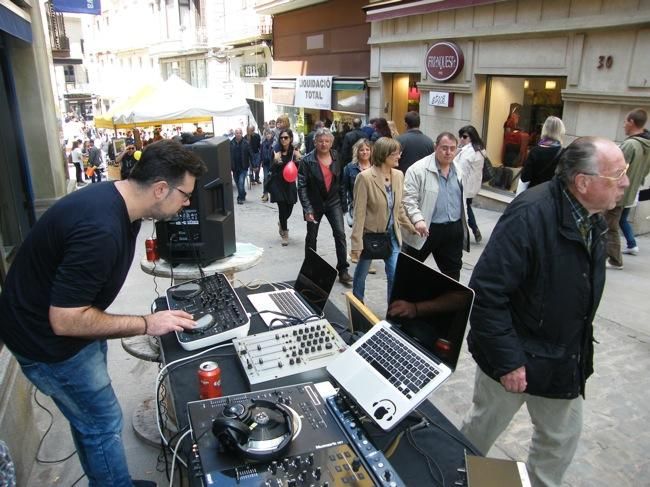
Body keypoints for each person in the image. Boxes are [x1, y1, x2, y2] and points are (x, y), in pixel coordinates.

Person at [0, 139, 207, 486]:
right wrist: (146, 323)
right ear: (160, 189)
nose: (187, 203)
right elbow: (66, 320)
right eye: (185, 195)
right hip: (48, 344)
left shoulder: (117, 202)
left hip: (63, 329)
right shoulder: (101, 230)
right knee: (102, 423)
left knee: (91, 421)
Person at [460, 137, 629, 487]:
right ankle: (454, 475)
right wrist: (508, 361)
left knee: (560, 440)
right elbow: (487, 292)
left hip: (562, 360)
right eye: (618, 175)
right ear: (583, 182)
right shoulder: (530, 214)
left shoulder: (593, 217)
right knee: (479, 431)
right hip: (512, 360)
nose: (626, 182)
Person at [350, 137, 415, 302]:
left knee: (394, 274)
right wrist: (356, 244)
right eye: (395, 154)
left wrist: (411, 226)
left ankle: (392, 316)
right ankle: (357, 304)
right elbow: (359, 213)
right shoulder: (364, 178)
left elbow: (398, 207)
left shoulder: (399, 175)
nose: (399, 156)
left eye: (399, 153)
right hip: (370, 236)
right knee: (361, 274)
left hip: (392, 235)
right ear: (384, 155)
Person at [402, 132, 469, 281]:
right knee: (409, 271)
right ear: (435, 147)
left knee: (452, 273)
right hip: (426, 228)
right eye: (444, 148)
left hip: (453, 228)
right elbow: (408, 199)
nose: (449, 152)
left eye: (453, 148)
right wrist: (417, 219)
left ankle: (448, 303)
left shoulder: (458, 169)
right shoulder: (417, 169)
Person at [297, 127, 353, 284]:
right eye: (320, 141)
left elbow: (341, 182)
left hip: (333, 201)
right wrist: (307, 209)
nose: (323, 144)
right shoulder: (307, 161)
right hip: (314, 204)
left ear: (331, 142)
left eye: (327, 141)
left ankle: (343, 269)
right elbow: (301, 187)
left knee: (340, 234)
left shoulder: (337, 156)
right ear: (315, 142)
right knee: (312, 237)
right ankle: (310, 269)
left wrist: (343, 204)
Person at [604, 108, 650, 267]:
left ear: (631, 122)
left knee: (610, 225)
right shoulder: (646, 145)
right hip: (631, 192)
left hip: (618, 193)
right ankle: (622, 249)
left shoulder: (631, 145)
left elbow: (614, 168)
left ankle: (615, 260)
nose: (623, 125)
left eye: (625, 121)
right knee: (615, 223)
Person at [267, 128, 301, 246]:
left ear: (290, 139)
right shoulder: (276, 151)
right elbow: (270, 169)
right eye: (281, 138)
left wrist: (298, 159)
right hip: (278, 183)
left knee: (290, 207)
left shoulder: (295, 152)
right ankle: (285, 234)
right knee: (282, 208)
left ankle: (281, 223)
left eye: (286, 138)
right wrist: (276, 161)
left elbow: (299, 169)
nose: (283, 140)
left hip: (290, 183)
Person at [454, 125, 486, 244]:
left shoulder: (470, 151)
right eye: (461, 136)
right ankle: (473, 229)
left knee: (464, 208)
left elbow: (461, 168)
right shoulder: (479, 149)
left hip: (465, 185)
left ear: (471, 137)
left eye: (464, 136)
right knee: (466, 206)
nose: (462, 139)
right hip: (472, 185)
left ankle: (470, 230)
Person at [520, 116, 565, 188]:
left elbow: (524, 178)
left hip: (534, 194)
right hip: (552, 196)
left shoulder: (535, 151)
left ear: (544, 129)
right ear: (561, 131)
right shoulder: (564, 153)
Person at [230, 128, 251, 204]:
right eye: (237, 133)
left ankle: (240, 198)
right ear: (234, 134)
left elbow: (250, 154)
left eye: (239, 133)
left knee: (241, 182)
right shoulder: (230, 143)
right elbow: (228, 155)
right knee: (237, 183)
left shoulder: (246, 143)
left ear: (242, 134)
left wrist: (254, 165)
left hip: (243, 167)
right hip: (234, 167)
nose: (238, 134)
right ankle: (243, 193)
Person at [260, 129, 275, 202]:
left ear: (272, 135)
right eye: (267, 134)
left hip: (272, 164)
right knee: (266, 178)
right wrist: (259, 163)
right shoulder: (263, 143)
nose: (268, 135)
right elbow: (261, 154)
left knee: (272, 179)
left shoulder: (274, 143)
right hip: (265, 164)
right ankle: (265, 194)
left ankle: (273, 194)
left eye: (269, 134)